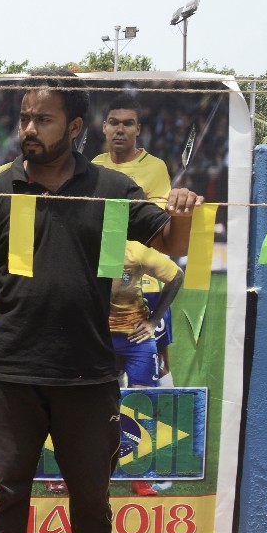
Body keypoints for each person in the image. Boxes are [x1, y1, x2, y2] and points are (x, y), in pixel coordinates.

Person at [0, 71, 200, 533]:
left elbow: (173, 245)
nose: (29, 128)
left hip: (88, 371)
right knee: (9, 487)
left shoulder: (109, 188)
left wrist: (181, 208)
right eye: (25, 117)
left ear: (75, 127)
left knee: (91, 492)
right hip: (10, 369)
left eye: (43, 119)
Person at [91, 94, 177, 389]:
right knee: (106, 368)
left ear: (138, 129)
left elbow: (150, 223)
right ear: (104, 127)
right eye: (114, 122)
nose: (120, 129)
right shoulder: (95, 165)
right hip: (104, 282)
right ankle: (113, 430)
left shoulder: (155, 167)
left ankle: (161, 426)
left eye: (128, 123)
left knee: (160, 363)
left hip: (147, 284)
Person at [110, 240, 183, 496]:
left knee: (147, 390)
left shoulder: (135, 247)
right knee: (95, 400)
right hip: (101, 333)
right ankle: (106, 465)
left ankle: (148, 467)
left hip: (143, 309)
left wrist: (153, 321)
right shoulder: (82, 241)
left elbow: (175, 270)